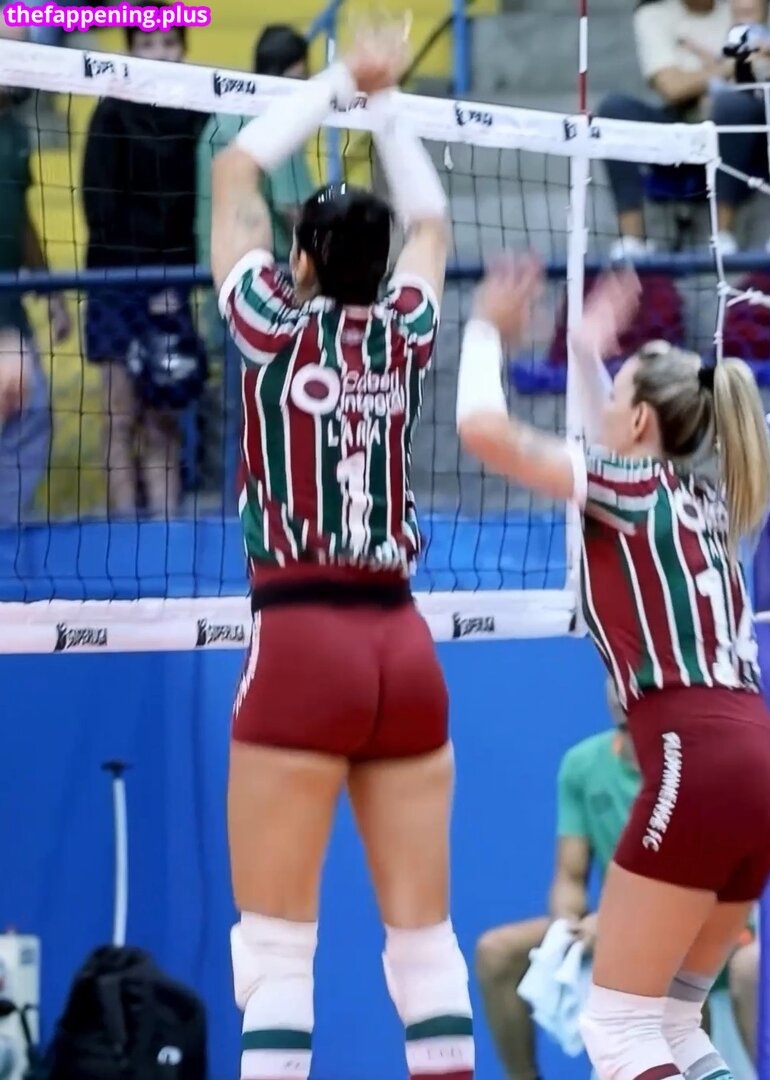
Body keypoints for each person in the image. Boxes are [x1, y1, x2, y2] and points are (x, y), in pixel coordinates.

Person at [456, 258, 770, 1080]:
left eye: (614, 398)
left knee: (617, 1030)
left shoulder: (627, 487)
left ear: (641, 420)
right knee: (674, 1025)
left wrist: (484, 331)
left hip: (698, 756)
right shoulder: (699, 497)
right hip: (768, 766)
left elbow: (481, 429)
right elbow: (606, 441)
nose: (601, 410)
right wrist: (586, 355)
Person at [210, 23, 472, 1080]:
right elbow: (434, 221)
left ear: (303, 259)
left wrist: (339, 82)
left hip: (302, 637)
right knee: (426, 947)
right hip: (402, 645)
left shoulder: (270, 326)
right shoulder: (405, 331)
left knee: (276, 954)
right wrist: (387, 103)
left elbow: (234, 168)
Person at [476, 681, 757, 1080]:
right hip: (622, 933)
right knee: (496, 953)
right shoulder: (582, 764)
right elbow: (569, 878)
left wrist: (615, 924)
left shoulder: (710, 765)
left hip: (714, 930)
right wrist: (567, 925)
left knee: (669, 965)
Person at [82, 8, 208, 518]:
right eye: (148, 44)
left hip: (172, 285)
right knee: (119, 416)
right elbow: (99, 207)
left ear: (183, 49)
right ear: (131, 50)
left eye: (169, 44)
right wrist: (143, 278)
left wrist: (172, 284)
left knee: (163, 417)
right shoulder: (110, 114)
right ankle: (123, 535)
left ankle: (165, 538)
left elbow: (196, 207)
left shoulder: (198, 115)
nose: (159, 54)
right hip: (116, 284)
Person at [195, 24, 316, 504]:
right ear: (288, 73)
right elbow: (297, 210)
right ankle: (267, 512)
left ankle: (235, 513)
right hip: (266, 295)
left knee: (236, 410)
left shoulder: (220, 116)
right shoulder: (277, 119)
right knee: (268, 413)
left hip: (214, 279)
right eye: (302, 78)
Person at [599, 0, 770, 260]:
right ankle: (632, 242)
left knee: (733, 106)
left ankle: (722, 236)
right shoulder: (653, 14)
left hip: (753, 127)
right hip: (685, 125)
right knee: (614, 108)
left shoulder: (750, 3)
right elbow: (672, 88)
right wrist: (733, 65)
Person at [0, 16, 70, 524]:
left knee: (32, 413)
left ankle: (5, 533)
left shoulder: (17, 129)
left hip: (12, 307)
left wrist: (51, 292)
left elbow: (20, 218)